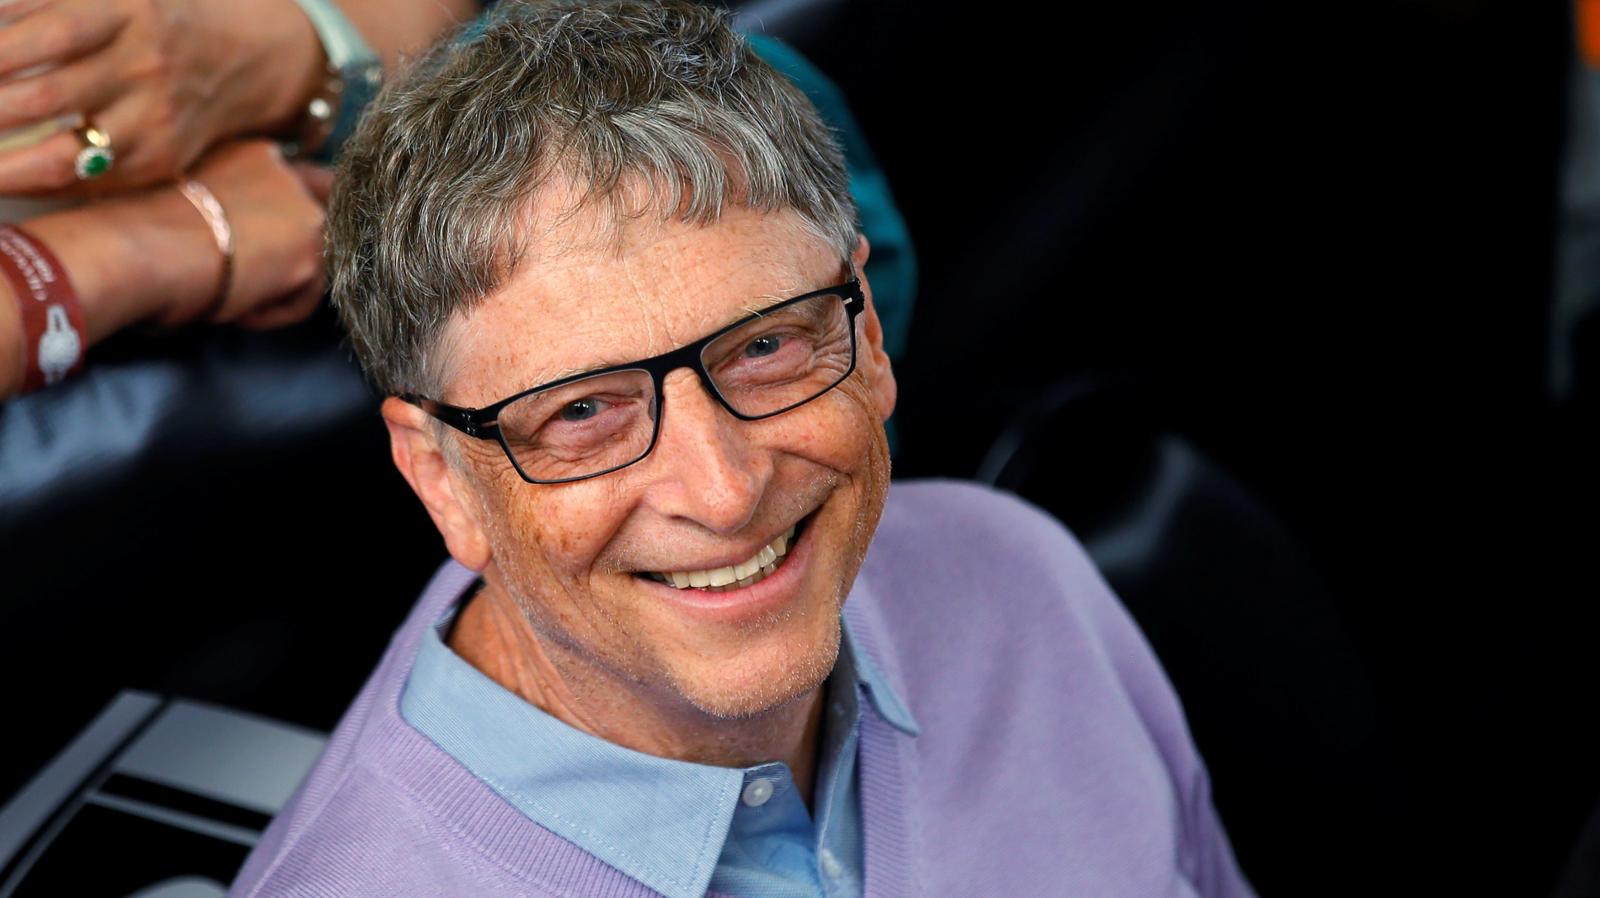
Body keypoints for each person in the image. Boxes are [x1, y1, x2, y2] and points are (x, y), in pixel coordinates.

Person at [230, 3, 1255, 896]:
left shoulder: (1020, 578)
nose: (723, 492)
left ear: (869, 337)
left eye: (765, 347)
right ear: (439, 478)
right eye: (582, 411)